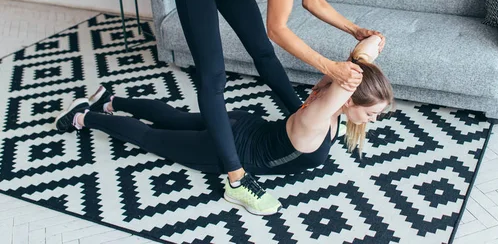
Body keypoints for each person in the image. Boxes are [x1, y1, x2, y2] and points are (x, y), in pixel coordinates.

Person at [170, 0, 386, 214]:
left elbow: (313, 1)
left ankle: (297, 115)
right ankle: (237, 179)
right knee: (213, 76)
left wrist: (355, 30)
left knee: (264, 56)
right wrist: (330, 67)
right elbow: (278, 28)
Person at [53, 36, 394, 216]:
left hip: (243, 123)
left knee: (174, 117)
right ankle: (84, 115)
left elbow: (355, 65)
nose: (372, 120)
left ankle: (110, 100)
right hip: (230, 150)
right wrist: (366, 52)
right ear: (347, 99)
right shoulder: (319, 119)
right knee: (152, 137)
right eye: (371, 113)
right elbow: (350, 78)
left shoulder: (325, 96)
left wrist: (369, 48)